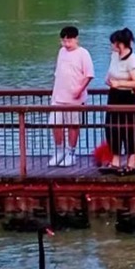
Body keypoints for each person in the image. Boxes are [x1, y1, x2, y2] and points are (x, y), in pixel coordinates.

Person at [49, 25, 95, 168]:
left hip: (75, 97)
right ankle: (59, 151)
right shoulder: (61, 52)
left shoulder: (83, 54)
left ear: (76, 39)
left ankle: (71, 152)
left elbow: (89, 75)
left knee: (73, 125)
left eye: (69, 41)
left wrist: (79, 90)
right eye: (64, 41)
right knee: (55, 123)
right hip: (58, 96)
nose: (66, 44)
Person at [104, 27, 135, 176]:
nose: (111, 47)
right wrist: (111, 82)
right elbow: (110, 74)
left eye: (113, 44)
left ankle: (131, 162)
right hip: (113, 95)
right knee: (112, 127)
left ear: (120, 44)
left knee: (128, 128)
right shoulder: (115, 56)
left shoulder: (133, 60)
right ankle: (115, 160)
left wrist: (119, 84)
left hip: (127, 97)